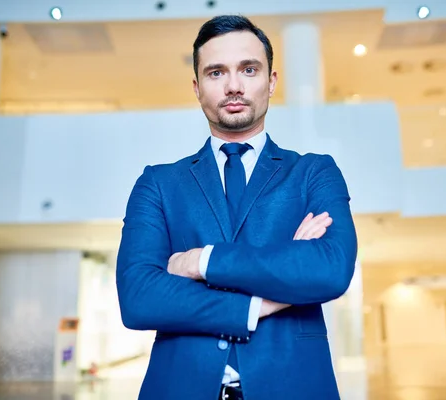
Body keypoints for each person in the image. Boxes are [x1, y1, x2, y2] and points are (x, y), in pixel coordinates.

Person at [116, 14, 358, 400]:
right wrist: (263, 298)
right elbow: (138, 298)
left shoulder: (314, 172)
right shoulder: (157, 184)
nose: (233, 86)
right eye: (215, 73)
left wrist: (199, 262)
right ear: (196, 87)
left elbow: (329, 270)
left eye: (248, 69)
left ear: (272, 81)